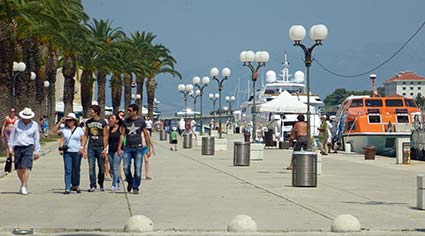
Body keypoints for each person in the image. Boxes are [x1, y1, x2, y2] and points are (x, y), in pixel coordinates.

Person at [117, 104, 152, 194]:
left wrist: (148, 148)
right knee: (125, 167)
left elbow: (146, 134)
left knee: (138, 168)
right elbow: (122, 135)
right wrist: (119, 147)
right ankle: (130, 181)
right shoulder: (125, 122)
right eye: (128, 110)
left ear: (135, 111)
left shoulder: (141, 121)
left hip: (138, 148)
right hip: (127, 147)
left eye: (130, 110)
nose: (128, 112)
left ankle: (135, 186)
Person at [8, 107, 40, 195]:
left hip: (28, 147)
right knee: (19, 168)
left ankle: (23, 186)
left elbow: (36, 138)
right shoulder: (17, 123)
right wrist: (10, 147)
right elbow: (12, 135)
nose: (26, 119)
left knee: (26, 166)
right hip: (18, 147)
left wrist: (37, 151)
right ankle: (23, 183)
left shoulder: (34, 125)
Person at [57, 113, 86, 194]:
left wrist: (82, 148)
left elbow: (83, 139)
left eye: (71, 120)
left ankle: (76, 185)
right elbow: (56, 132)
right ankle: (67, 187)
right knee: (68, 169)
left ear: (74, 121)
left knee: (76, 169)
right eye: (68, 120)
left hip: (77, 152)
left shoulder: (79, 129)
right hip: (67, 152)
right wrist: (60, 122)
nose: (69, 122)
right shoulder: (64, 129)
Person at [84, 104, 109, 192]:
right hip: (91, 146)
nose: (90, 113)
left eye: (91, 111)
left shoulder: (103, 122)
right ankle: (92, 185)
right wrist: (83, 147)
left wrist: (105, 148)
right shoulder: (88, 122)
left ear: (96, 112)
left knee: (101, 167)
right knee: (91, 166)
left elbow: (106, 136)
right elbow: (86, 134)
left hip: (100, 146)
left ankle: (101, 183)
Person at [107, 114, 122, 191]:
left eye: (112, 118)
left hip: (118, 151)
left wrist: (120, 148)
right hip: (110, 151)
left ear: (117, 120)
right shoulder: (109, 129)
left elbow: (122, 138)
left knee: (115, 168)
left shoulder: (120, 128)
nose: (110, 120)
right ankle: (119, 181)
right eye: (109, 118)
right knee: (112, 169)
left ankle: (113, 185)